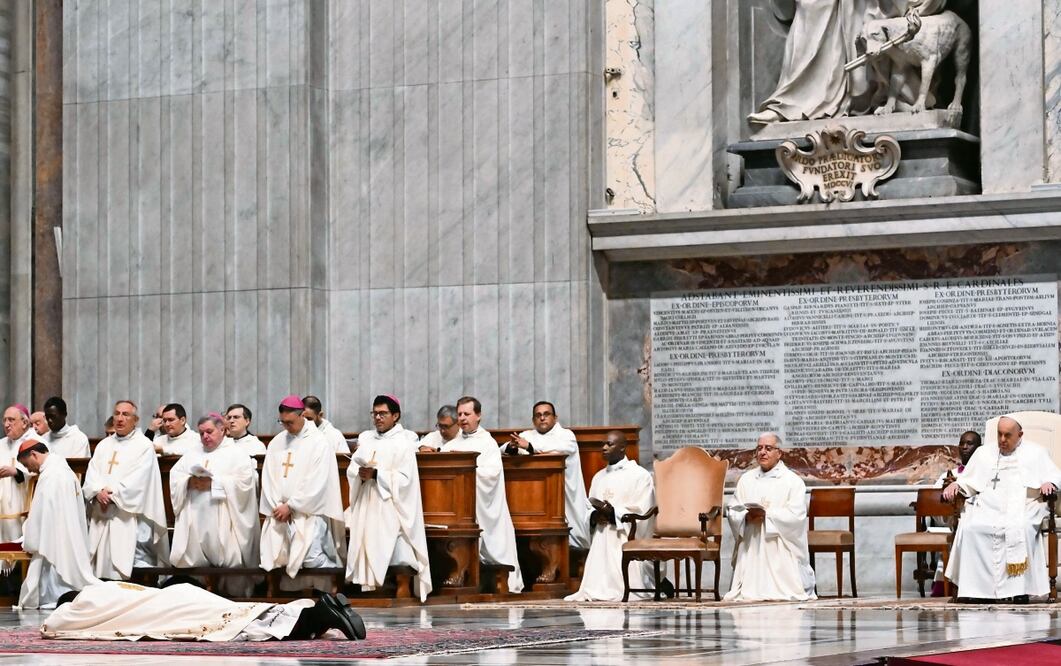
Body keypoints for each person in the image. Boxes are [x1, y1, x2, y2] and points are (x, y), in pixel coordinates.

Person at [944, 417, 1061, 601]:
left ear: (1020, 435)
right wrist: (956, 486)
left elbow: (1054, 475)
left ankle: (1019, 591)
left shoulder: (1036, 453)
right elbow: (968, 480)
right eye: (999, 434)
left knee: (1020, 527)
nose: (1002, 440)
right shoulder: (984, 453)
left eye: (1008, 435)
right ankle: (978, 591)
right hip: (990, 504)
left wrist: (1049, 482)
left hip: (1026, 504)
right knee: (971, 527)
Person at [41, 582, 366, 641]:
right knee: (240, 612)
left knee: (234, 627)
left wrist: (61, 609)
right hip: (178, 595)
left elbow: (54, 624)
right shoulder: (107, 586)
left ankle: (318, 615)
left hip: (169, 609)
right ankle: (314, 614)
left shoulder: (82, 603)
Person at [346, 395, 431, 601]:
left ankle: (401, 587)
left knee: (396, 543)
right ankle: (371, 588)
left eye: (383, 413)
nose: (377, 418)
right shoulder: (366, 439)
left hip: (392, 504)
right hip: (368, 500)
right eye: (374, 413)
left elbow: (405, 480)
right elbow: (352, 469)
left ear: (396, 415)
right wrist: (359, 473)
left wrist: (377, 475)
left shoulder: (404, 443)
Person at [436, 396, 523, 593]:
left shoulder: (487, 443)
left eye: (467, 414)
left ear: (478, 416)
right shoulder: (450, 444)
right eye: (459, 414)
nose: (462, 418)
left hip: (484, 507)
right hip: (458, 508)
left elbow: (491, 475)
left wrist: (464, 475)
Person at [260, 395, 345, 591]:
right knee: (280, 556)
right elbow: (269, 476)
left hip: (308, 513)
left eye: (290, 422)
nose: (286, 427)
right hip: (279, 513)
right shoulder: (276, 442)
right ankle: (298, 596)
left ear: (302, 415)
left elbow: (317, 480)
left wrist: (291, 505)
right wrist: (277, 505)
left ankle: (331, 591)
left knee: (311, 557)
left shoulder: (318, 442)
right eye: (282, 422)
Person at [82, 400, 169, 580]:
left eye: (125, 414)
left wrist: (112, 495)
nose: (120, 418)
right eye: (117, 413)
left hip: (128, 515)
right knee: (99, 570)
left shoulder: (144, 446)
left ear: (135, 420)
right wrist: (97, 491)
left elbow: (139, 479)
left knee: (127, 566)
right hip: (102, 513)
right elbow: (92, 473)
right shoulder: (103, 445)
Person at [724, 433, 816, 601]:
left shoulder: (792, 481)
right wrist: (745, 516)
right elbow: (732, 508)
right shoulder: (746, 479)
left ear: (779, 453)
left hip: (779, 543)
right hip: (752, 539)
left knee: (782, 588)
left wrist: (768, 515)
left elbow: (797, 516)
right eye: (759, 448)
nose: (763, 452)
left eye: (768, 448)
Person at [566, 430, 656, 601]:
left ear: (623, 447)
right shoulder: (598, 477)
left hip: (625, 534)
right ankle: (596, 588)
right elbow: (587, 508)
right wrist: (594, 516)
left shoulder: (640, 475)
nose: (604, 447)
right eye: (603, 444)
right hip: (601, 533)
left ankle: (626, 587)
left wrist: (614, 513)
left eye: (609, 444)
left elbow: (643, 508)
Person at [169, 414, 260, 579]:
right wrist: (188, 482)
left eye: (209, 432)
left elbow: (245, 483)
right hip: (195, 514)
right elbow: (176, 475)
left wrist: (214, 483)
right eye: (201, 433)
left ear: (222, 430)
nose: (205, 436)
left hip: (223, 516)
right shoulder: (192, 453)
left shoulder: (236, 453)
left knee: (227, 559)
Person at [16, 439, 100, 609]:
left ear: (34, 454)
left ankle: (56, 596)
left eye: (27, 464)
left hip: (54, 539)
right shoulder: (64, 471)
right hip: (67, 534)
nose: (28, 469)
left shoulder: (51, 476)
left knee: (55, 581)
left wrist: (28, 534)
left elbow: (41, 515)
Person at [504, 401, 590, 549]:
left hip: (564, 493)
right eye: (538, 415)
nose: (542, 418)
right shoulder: (527, 435)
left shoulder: (566, 435)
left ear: (555, 418)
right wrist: (512, 447)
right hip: (536, 497)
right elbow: (504, 449)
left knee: (574, 533)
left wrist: (529, 447)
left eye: (546, 414)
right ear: (533, 420)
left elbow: (558, 450)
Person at [929, 430, 982, 596]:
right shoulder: (948, 475)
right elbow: (934, 504)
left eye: (970, 443)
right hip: (954, 524)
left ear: (979, 448)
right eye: (962, 443)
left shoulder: (985, 473)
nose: (965, 447)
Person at [0, 405, 33, 549]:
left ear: (24, 423)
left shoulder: (34, 443)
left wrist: (17, 472)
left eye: (11, 420)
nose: (7, 424)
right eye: (5, 420)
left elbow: (40, 472)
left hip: (23, 502)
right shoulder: (1, 444)